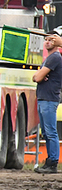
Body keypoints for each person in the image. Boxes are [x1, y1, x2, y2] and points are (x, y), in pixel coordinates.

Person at [32, 30, 62, 174]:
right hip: (43, 98)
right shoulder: (48, 58)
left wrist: (39, 75)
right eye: (46, 39)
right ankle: (49, 161)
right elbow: (37, 76)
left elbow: (37, 78)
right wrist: (38, 75)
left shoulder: (54, 57)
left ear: (56, 42)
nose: (48, 42)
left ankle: (53, 162)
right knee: (45, 131)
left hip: (49, 99)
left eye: (51, 39)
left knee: (51, 132)